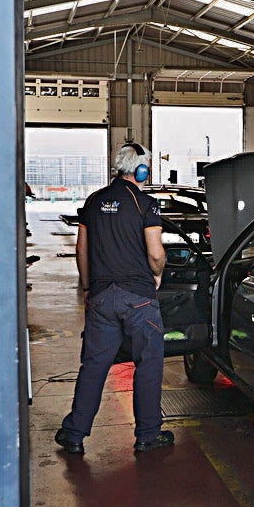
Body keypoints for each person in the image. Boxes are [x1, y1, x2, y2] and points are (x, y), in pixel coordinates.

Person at [55, 143, 173, 455]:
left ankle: (75, 434)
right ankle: (148, 435)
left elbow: (82, 250)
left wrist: (87, 288)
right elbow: (156, 253)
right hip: (138, 299)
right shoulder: (145, 204)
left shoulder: (94, 202)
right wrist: (157, 275)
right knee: (147, 365)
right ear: (142, 170)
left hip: (102, 297)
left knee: (94, 365)